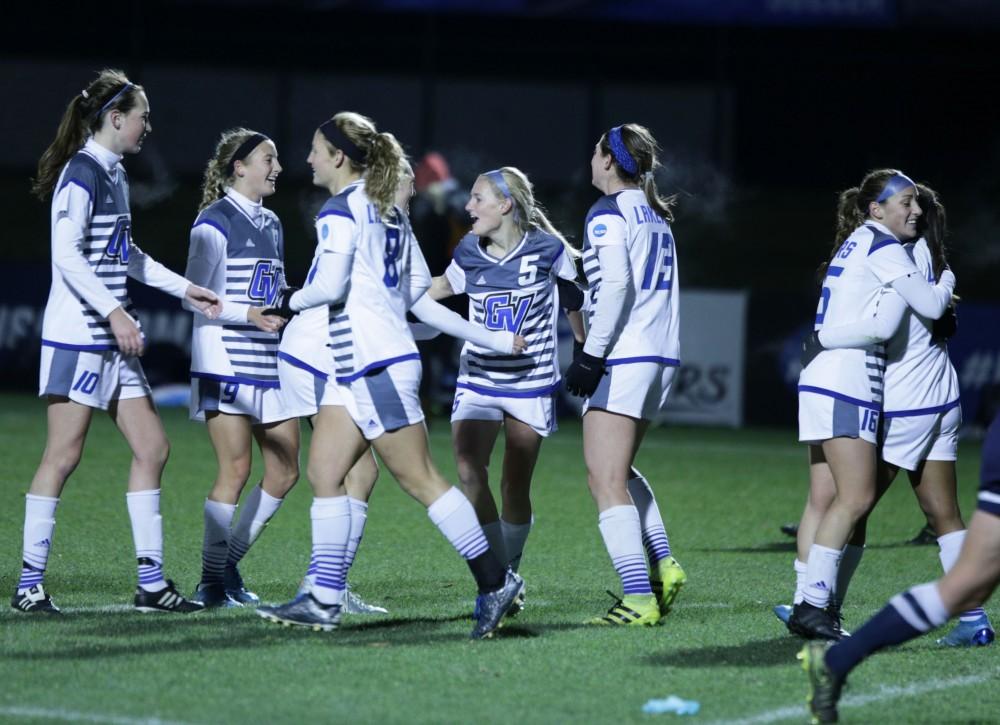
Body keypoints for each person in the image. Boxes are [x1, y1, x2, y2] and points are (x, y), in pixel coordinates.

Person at [255, 112, 525, 638]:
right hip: (364, 364)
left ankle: (495, 580)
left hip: (374, 364)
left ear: (338, 156)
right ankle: (323, 597)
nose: (308, 158)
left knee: (420, 479)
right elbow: (418, 296)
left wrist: (286, 298)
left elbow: (329, 289)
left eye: (315, 149)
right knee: (326, 475)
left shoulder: (343, 210)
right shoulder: (389, 213)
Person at [12, 69, 220, 615]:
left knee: (153, 448)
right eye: (143, 117)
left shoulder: (114, 174)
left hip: (109, 337)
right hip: (80, 335)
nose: (148, 126)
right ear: (115, 118)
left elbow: (125, 256)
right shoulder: (81, 172)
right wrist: (114, 313)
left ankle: (151, 584)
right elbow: (67, 254)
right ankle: (29, 584)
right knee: (63, 455)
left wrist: (185, 290)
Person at [775, 185, 993, 646]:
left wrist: (823, 337)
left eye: (915, 207)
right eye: (906, 204)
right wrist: (949, 281)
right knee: (942, 514)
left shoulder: (898, 256)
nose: (912, 212)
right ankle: (974, 619)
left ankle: (817, 605)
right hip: (942, 397)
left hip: (906, 402)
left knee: (852, 505)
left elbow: (886, 325)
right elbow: (932, 310)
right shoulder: (929, 260)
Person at [425, 166, 584, 604]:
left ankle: (506, 573)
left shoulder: (548, 250)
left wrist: (585, 351)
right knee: (469, 473)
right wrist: (393, 294)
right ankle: (495, 578)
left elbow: (574, 297)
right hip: (478, 377)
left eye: (478, 199)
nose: (468, 206)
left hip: (530, 382)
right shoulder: (468, 250)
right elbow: (441, 287)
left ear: (505, 204)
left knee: (516, 485)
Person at [800, 413, 1000, 723]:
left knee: (963, 572)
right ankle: (818, 613)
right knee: (966, 584)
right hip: (913, 403)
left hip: (933, 399)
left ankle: (821, 617)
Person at [563, 123, 687, 626]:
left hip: (626, 355)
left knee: (604, 478)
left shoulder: (607, 213)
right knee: (619, 469)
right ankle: (663, 563)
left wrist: (591, 355)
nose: (591, 161)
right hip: (660, 357)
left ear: (610, 162)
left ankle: (638, 597)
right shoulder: (656, 215)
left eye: (596, 153)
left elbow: (616, 287)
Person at [183, 128, 301, 607]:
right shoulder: (212, 222)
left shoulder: (272, 222)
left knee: (286, 469)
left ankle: (227, 566)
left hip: (268, 362)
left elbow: (272, 289)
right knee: (235, 469)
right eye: (268, 159)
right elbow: (194, 296)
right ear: (240, 166)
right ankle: (211, 582)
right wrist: (247, 314)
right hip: (225, 358)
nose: (277, 168)